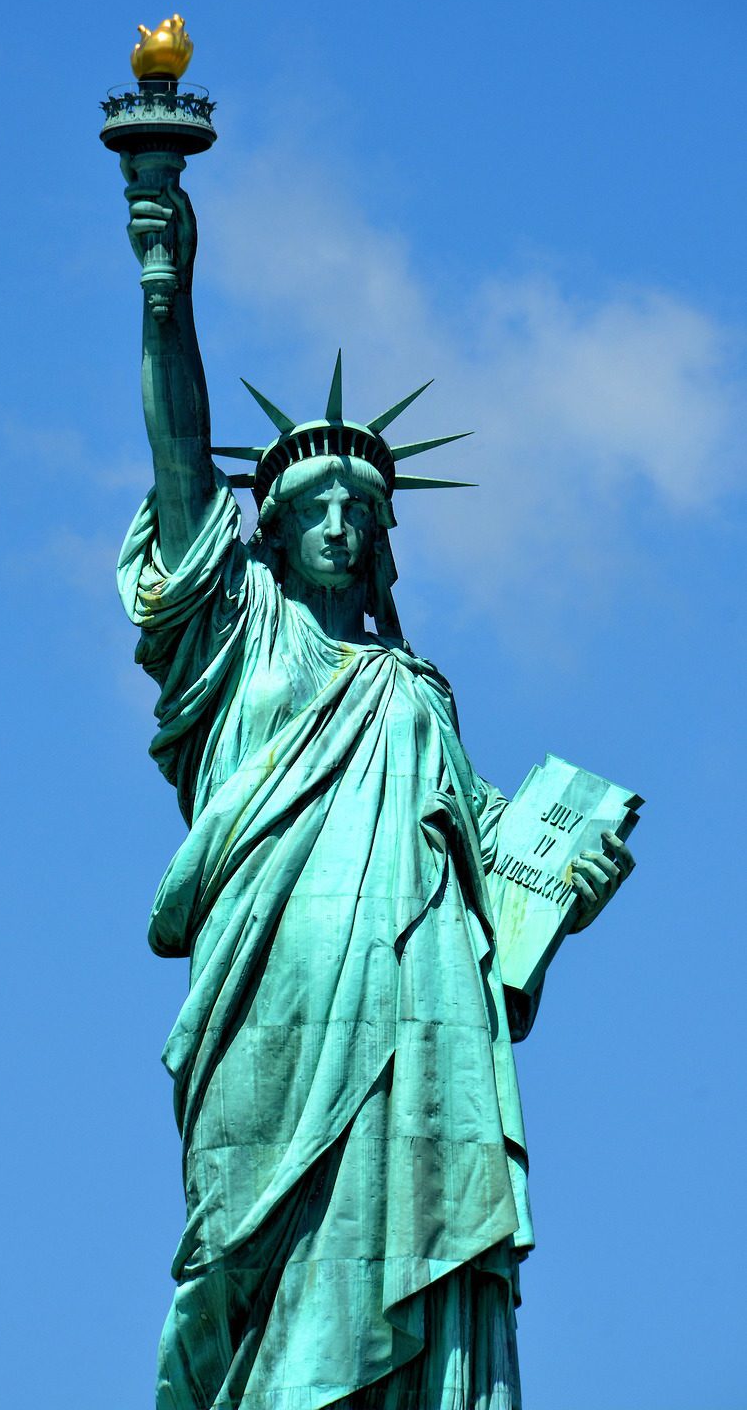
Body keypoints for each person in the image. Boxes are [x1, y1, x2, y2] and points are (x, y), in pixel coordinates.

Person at [116, 173, 634, 1410]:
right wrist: (165, 287)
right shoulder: (237, 640)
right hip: (270, 1002)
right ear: (273, 534)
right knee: (245, 1262)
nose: (340, 524)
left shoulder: (419, 695)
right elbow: (183, 462)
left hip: (416, 1022)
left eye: (362, 507)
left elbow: (484, 896)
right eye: (312, 507)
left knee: (403, 1265)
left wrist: (569, 889)